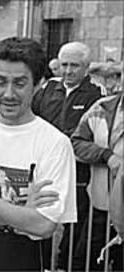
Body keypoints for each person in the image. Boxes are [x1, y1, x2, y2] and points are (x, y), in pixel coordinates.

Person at [0, 37, 77, 271]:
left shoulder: (55, 144)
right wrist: (22, 214)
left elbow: (43, 225)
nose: (8, 94)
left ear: (38, 84)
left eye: (19, 83)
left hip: (28, 259)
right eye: (0, 82)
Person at [32, 41, 103, 270]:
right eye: (64, 65)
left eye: (75, 65)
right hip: (44, 170)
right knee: (41, 217)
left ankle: (64, 265)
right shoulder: (48, 89)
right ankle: (41, 264)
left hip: (78, 173)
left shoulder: (96, 94)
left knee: (74, 221)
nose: (68, 71)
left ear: (86, 67)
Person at [71, 91, 123, 271]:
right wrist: (105, 155)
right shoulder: (101, 108)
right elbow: (76, 143)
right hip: (102, 209)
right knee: (84, 263)